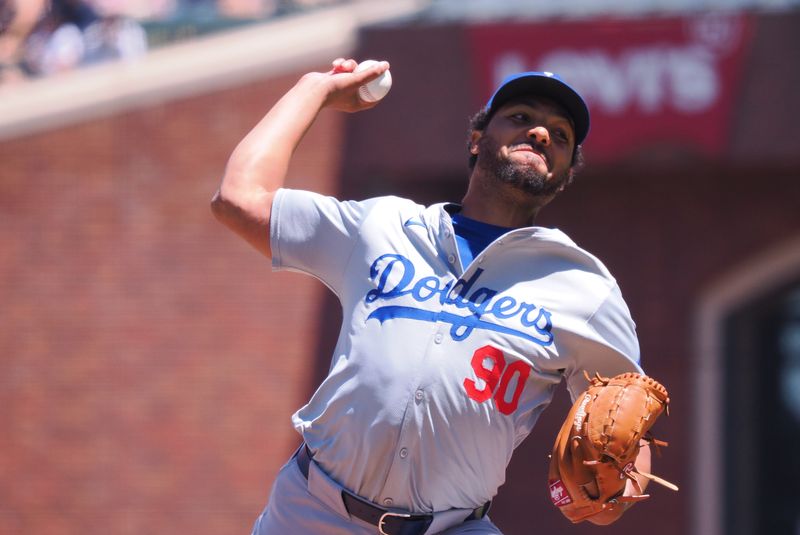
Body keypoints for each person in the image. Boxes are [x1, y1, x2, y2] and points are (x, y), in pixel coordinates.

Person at [211, 58, 652, 534]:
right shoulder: (382, 226)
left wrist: (623, 485)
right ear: (477, 140)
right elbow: (239, 198)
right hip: (311, 512)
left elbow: (627, 422)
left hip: (453, 526)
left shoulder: (583, 285)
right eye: (522, 118)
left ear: (564, 174)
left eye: (560, 135)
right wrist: (314, 90)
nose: (541, 134)